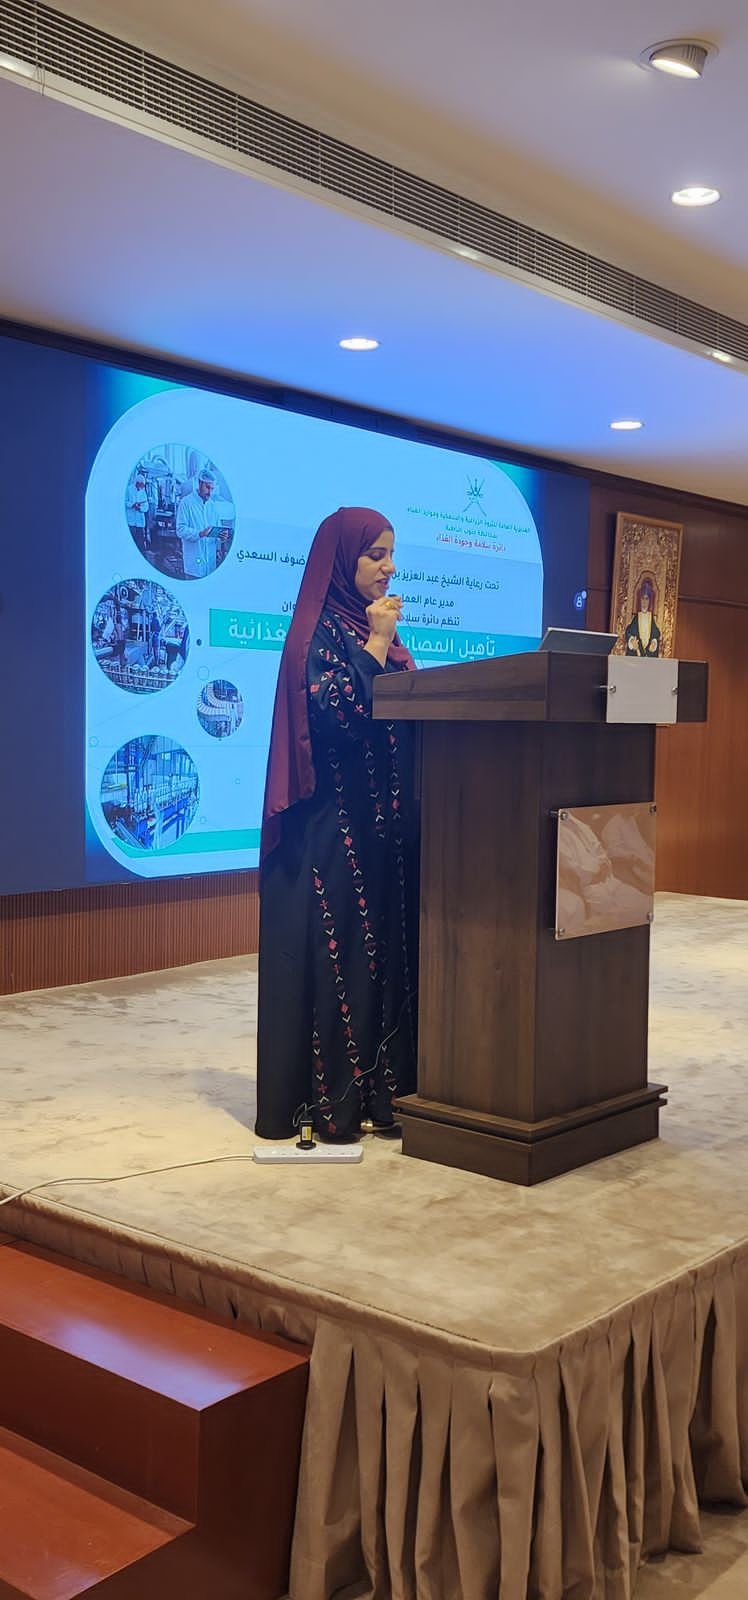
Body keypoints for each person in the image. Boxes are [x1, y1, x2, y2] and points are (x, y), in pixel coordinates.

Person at [256, 507, 419, 1143]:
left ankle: (386, 1096)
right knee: (346, 962)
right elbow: (338, 719)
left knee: (385, 963)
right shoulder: (317, 633)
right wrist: (376, 646)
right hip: (336, 833)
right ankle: (335, 1107)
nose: (389, 567)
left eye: (391, 554)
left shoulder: (377, 631)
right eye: (376, 554)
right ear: (344, 558)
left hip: (385, 832)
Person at [175, 467, 221, 579]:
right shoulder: (186, 503)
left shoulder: (213, 506)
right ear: (200, 483)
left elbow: (218, 529)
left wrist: (221, 536)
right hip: (193, 567)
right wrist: (200, 534)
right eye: (207, 488)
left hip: (211, 566)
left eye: (212, 488)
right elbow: (180, 530)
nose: (210, 492)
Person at [625, 578, 662, 657]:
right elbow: (628, 632)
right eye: (642, 599)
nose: (644, 602)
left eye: (646, 599)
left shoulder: (651, 618)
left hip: (648, 657)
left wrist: (654, 642)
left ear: (650, 601)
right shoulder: (636, 618)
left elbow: (656, 634)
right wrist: (632, 641)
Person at [126, 472, 150, 551]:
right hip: (131, 521)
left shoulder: (143, 492)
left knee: (140, 541)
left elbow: (146, 506)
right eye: (141, 485)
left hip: (140, 521)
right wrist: (132, 505)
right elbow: (125, 502)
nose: (142, 487)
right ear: (137, 483)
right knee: (131, 539)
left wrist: (140, 508)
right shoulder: (129, 489)